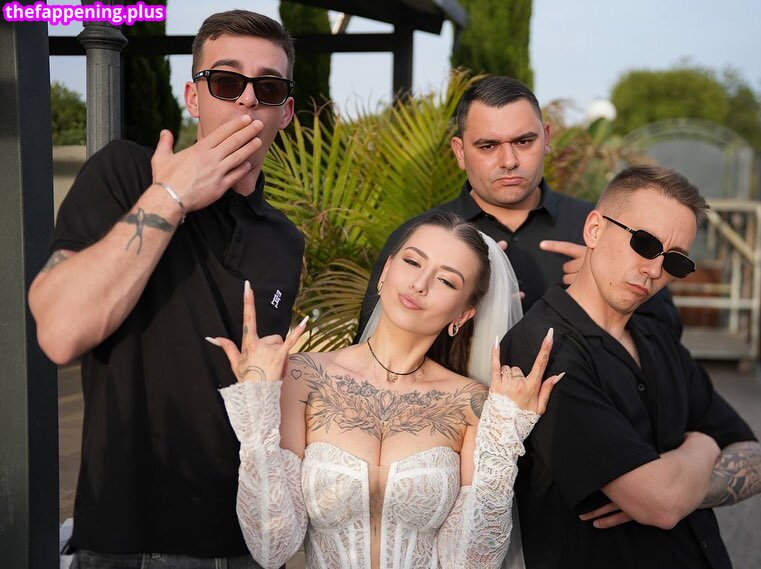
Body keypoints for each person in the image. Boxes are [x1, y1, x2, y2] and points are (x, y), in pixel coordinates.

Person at [28, 10, 303, 567]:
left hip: (247, 543)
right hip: (130, 542)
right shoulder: (126, 175)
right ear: (193, 97)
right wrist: (172, 196)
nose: (248, 99)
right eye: (226, 81)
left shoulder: (284, 241)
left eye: (268, 87)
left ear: (286, 112)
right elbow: (59, 331)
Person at [207, 213, 562, 569]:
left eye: (446, 280)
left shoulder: (471, 403)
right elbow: (273, 548)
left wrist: (503, 441)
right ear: (386, 270)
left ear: (463, 315)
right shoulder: (303, 377)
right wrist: (256, 404)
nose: (419, 284)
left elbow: (471, 562)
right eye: (412, 262)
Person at [501, 166, 761, 569]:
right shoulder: (542, 349)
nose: (654, 269)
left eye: (675, 261)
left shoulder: (658, 337)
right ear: (594, 229)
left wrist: (684, 489)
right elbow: (660, 503)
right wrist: (704, 445)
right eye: (644, 243)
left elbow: (759, 464)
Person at [358, 75, 682, 339]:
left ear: (546, 138)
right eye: (488, 146)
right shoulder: (419, 239)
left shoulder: (610, 230)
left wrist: (612, 292)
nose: (509, 161)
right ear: (460, 152)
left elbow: (667, 339)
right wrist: (456, 312)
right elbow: (374, 347)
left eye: (523, 142)